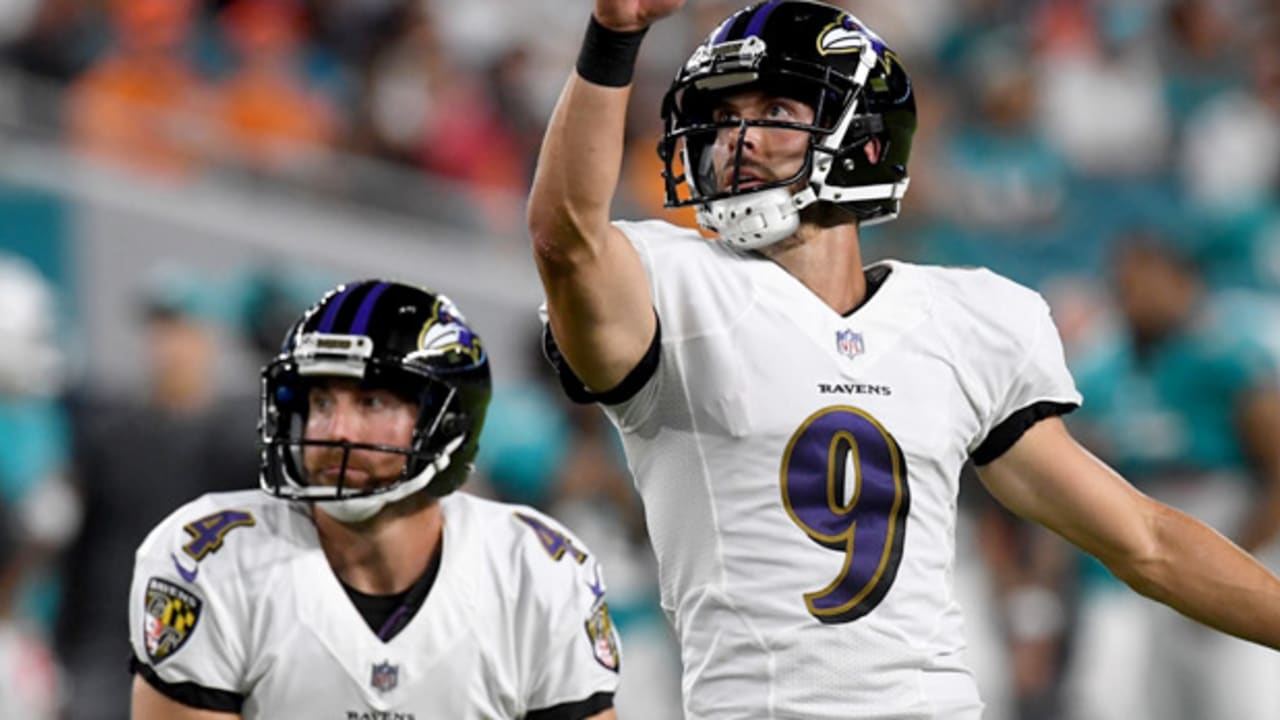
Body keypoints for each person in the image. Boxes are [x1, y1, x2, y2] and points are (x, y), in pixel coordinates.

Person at [524, 1, 1280, 717]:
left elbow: (1143, 541)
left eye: (775, 114)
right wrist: (612, 39)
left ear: (868, 141)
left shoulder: (959, 321)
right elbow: (568, 239)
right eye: (722, 118)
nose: (738, 140)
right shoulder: (677, 287)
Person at [127, 280, 620, 720]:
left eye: (372, 403)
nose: (335, 431)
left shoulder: (534, 571)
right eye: (321, 402)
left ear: (447, 421)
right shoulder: (212, 561)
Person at [1062, 232, 1280, 720]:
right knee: (1108, 698)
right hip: (1130, 535)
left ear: (1185, 283)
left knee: (1239, 698)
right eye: (1125, 280)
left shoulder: (1229, 358)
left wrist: (1243, 554)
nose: (1134, 290)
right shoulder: (1099, 369)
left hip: (1225, 520)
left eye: (1148, 277)